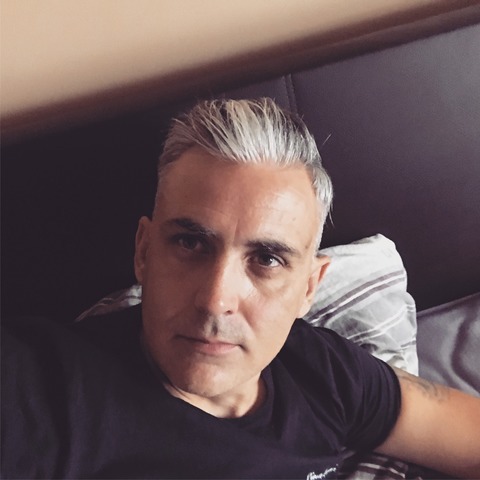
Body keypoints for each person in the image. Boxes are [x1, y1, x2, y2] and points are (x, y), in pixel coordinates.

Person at [1, 98, 479, 479]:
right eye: (190, 243)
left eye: (267, 259)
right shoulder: (40, 393)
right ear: (144, 251)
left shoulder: (322, 372)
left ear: (309, 287)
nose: (216, 300)